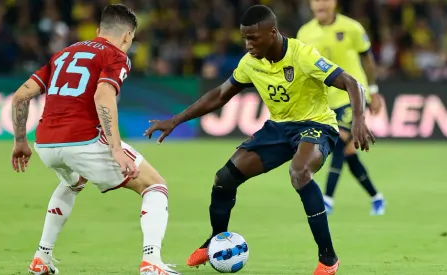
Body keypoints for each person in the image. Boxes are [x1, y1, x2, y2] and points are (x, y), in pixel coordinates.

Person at [144, 5, 374, 275]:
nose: (248, 44)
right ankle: (216, 240)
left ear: (272, 33)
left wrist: (359, 119)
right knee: (224, 178)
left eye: (254, 38)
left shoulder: (303, 55)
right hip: (278, 128)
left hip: (316, 126)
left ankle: (328, 258)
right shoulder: (250, 62)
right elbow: (220, 95)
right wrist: (176, 119)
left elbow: (351, 82)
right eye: (245, 38)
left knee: (299, 172)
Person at [10, 5, 179, 275]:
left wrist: (20, 141)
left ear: (99, 31)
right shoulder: (117, 56)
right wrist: (116, 149)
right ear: (127, 37)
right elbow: (103, 96)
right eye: (131, 39)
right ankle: (152, 262)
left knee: (73, 181)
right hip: (83, 140)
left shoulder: (64, 54)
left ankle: (41, 257)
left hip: (45, 143)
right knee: (154, 186)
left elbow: (20, 96)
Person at [297, 0, 386, 216]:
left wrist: (373, 91)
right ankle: (377, 198)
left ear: (334, 3)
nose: (320, 4)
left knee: (338, 141)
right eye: (315, 0)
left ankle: (327, 199)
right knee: (348, 152)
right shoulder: (304, 33)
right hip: (325, 101)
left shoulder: (352, 28)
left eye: (324, 0)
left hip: (352, 96)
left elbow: (367, 59)